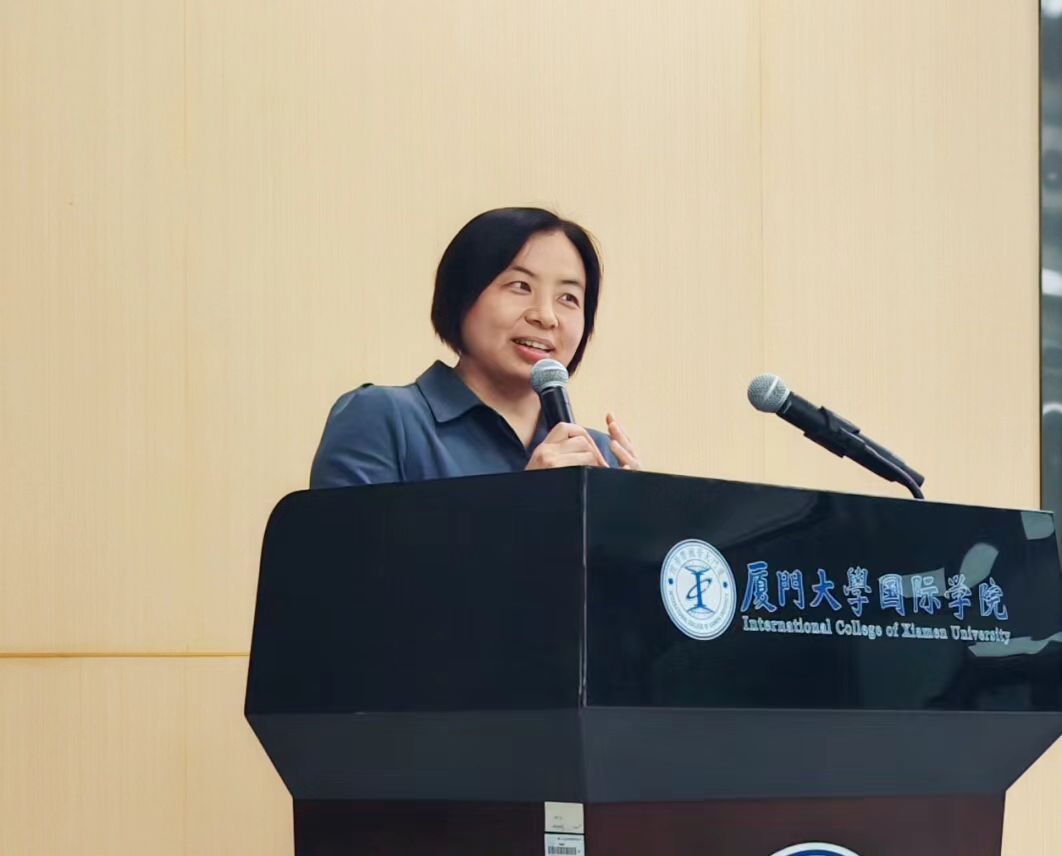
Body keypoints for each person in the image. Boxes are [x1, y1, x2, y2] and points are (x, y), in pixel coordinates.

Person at [309, 207, 640, 488]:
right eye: (520, 286)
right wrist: (528, 504)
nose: (545, 316)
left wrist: (641, 516)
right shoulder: (383, 419)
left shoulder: (597, 455)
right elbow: (348, 547)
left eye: (568, 297)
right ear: (462, 295)